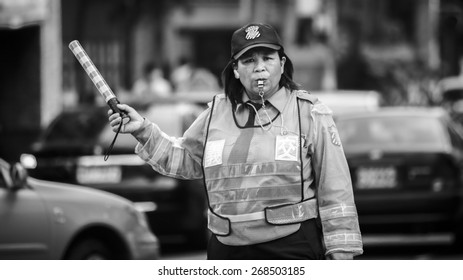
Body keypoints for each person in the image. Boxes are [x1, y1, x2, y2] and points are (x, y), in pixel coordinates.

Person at [108, 23, 363, 260]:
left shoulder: (310, 113)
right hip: (226, 251)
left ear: (282, 64)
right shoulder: (215, 113)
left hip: (291, 246)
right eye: (249, 60)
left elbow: (335, 188)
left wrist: (340, 252)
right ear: (236, 70)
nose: (259, 67)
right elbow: (185, 159)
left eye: (267, 58)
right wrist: (142, 129)